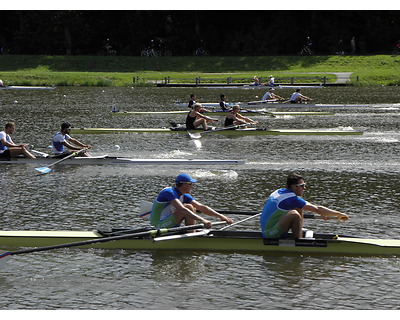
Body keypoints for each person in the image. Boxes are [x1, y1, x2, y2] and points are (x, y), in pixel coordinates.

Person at [260, 172, 349, 239]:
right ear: (294, 187)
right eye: (302, 186)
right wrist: (339, 214)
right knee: (294, 214)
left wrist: (325, 214)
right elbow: (318, 209)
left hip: (269, 228)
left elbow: (310, 206)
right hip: (270, 235)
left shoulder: (280, 191)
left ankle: (298, 235)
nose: (304, 188)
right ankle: (299, 241)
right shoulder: (291, 199)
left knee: (299, 208)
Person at [150, 173, 234, 229]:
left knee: (192, 207)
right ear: (184, 184)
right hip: (158, 226)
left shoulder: (184, 195)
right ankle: (191, 232)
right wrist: (203, 220)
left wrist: (222, 217)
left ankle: (191, 232)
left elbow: (202, 208)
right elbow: (182, 210)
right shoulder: (169, 192)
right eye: (190, 184)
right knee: (188, 207)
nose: (192, 186)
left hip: (169, 223)